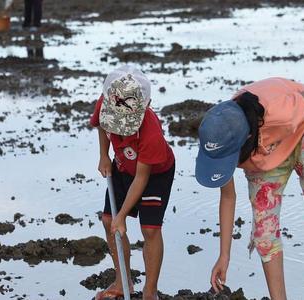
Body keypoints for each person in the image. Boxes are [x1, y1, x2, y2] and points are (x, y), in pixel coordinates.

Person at [195, 78, 304, 299]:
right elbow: (227, 197)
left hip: (300, 131)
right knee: (264, 233)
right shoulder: (221, 134)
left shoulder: (281, 110)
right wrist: (224, 255)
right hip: (264, 153)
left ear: (246, 138)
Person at [90, 65, 175, 300]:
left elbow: (141, 177)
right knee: (108, 221)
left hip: (154, 174)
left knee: (149, 229)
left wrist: (123, 216)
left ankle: (150, 292)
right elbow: (101, 125)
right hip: (120, 165)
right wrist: (104, 155)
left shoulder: (150, 133)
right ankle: (122, 281)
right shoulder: (107, 101)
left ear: (144, 107)